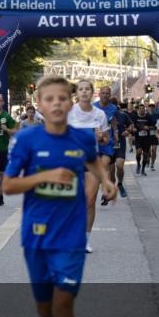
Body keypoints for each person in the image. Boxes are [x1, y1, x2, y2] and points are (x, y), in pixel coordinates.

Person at [3, 75, 118, 317]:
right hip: (36, 236)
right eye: (48, 99)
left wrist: (107, 181)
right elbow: (8, 185)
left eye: (61, 99)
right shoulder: (26, 139)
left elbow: (93, 161)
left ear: (70, 104)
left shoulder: (82, 138)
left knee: (64, 304)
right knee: (46, 309)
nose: (56, 104)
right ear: (39, 105)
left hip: (70, 236)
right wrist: (44, 177)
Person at [66, 81, 108, 253]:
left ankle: (85, 240)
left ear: (92, 93)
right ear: (77, 93)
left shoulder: (100, 114)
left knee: (90, 201)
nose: (84, 92)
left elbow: (106, 140)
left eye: (87, 89)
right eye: (81, 89)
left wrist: (100, 137)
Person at [93, 86, 118, 206]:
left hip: (108, 141)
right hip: (95, 142)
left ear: (110, 94)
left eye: (107, 93)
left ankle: (105, 192)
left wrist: (116, 134)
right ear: (99, 94)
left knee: (105, 165)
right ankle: (97, 189)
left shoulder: (113, 108)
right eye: (103, 93)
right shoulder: (93, 107)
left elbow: (114, 123)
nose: (105, 95)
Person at [109, 97, 133, 198]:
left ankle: (120, 184)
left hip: (120, 145)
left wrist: (127, 131)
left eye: (115, 105)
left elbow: (131, 124)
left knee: (119, 165)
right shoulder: (103, 115)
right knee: (110, 171)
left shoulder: (122, 115)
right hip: (108, 146)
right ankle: (112, 187)